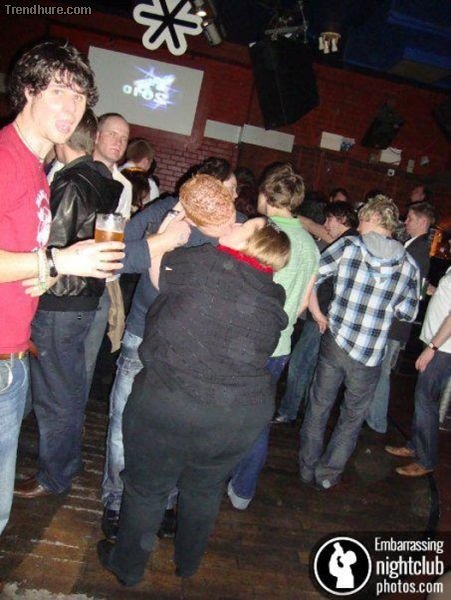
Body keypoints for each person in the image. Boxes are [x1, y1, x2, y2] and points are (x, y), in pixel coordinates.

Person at [97, 174, 290, 586]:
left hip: (172, 402)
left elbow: (157, 279)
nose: (239, 221)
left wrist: (168, 233)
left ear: (249, 244)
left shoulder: (201, 262)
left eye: (247, 225)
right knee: (203, 491)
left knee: (147, 489)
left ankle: (128, 567)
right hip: (238, 418)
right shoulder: (273, 295)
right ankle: (187, 563)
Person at [0, 39, 124, 557]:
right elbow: (46, 256)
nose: (71, 107)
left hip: (19, 347)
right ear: (28, 90)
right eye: (59, 91)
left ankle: (54, 473)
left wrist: (49, 270)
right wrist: (55, 263)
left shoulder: (40, 171)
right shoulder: (7, 160)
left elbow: (30, 254)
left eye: (80, 97)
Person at [100, 156, 244, 541]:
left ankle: (165, 503)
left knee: (179, 431)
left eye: (231, 193)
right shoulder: (165, 211)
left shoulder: (237, 226)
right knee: (124, 424)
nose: (227, 201)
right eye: (221, 192)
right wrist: (162, 239)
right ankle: (117, 501)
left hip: (196, 347)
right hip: (144, 334)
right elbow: (115, 257)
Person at [14, 109, 123, 498]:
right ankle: (65, 463)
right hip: (84, 299)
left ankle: (54, 476)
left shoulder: (71, 182)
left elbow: (49, 244)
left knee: (55, 398)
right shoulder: (104, 180)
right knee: (68, 390)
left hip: (60, 301)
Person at [299, 195, 420, 490]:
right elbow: (408, 313)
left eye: (363, 218)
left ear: (376, 219)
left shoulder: (349, 246)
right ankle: (327, 476)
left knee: (319, 407)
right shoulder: (409, 265)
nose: (360, 225)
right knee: (351, 418)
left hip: (336, 342)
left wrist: (317, 312)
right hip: (370, 353)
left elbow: (313, 274)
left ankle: (307, 468)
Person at [227, 162, 319, 510]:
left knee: (224, 414)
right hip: (279, 346)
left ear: (266, 194)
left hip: (243, 342)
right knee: (257, 421)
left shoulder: (260, 231)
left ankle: (208, 480)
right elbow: (302, 306)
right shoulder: (310, 245)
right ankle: (243, 491)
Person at [274, 202, 358, 424]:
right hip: (327, 314)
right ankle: (300, 410)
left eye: (329, 219)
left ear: (342, 219)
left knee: (301, 362)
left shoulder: (347, 242)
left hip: (322, 314)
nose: (325, 224)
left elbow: (316, 275)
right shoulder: (350, 241)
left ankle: (289, 411)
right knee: (310, 365)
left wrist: (318, 313)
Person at [366, 201, 435, 433]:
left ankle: (377, 421)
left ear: (423, 221)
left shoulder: (418, 251)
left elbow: (410, 289)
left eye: (411, 219)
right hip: (395, 322)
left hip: (395, 323)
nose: (406, 222)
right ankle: (372, 417)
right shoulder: (414, 247)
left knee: (381, 370)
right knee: (379, 369)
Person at [385, 267, 451, 476]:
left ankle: (426, 459)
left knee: (426, 401)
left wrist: (432, 348)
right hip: (437, 345)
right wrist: (435, 290)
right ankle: (415, 446)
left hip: (443, 349)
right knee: (423, 399)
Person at [84, 113, 132, 392]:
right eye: (113, 134)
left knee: (88, 357)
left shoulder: (124, 186)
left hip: (101, 282)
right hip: (63, 276)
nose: (118, 142)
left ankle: (74, 411)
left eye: (124, 138)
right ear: (97, 136)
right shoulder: (72, 171)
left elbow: (119, 234)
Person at [121, 138, 160, 203]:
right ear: (145, 161)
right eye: (150, 162)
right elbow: (154, 208)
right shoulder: (149, 184)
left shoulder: (112, 173)